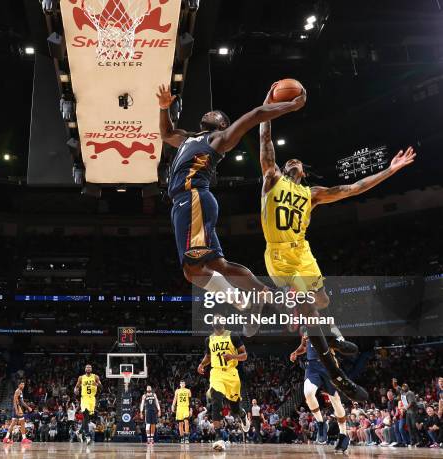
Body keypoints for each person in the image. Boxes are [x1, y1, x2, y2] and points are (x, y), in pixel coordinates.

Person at [259, 97, 416, 401]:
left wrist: (390, 170)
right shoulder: (271, 178)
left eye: (298, 162)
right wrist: (267, 105)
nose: (293, 162)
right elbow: (264, 138)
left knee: (322, 299)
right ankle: (338, 376)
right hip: (279, 254)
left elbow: (355, 188)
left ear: (302, 173)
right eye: (289, 160)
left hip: (302, 251)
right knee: (308, 308)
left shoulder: (313, 194)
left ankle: (330, 335)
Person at [157, 83, 306, 336]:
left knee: (192, 270)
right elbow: (166, 132)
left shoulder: (219, 139)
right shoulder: (188, 138)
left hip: (193, 199)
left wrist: (290, 106)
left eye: (217, 114)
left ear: (223, 125)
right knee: (219, 264)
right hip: (189, 203)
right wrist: (163, 108)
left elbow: (256, 115)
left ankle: (241, 301)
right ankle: (261, 293)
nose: (210, 112)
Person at [290, 330, 350, 453]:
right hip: (312, 366)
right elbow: (304, 346)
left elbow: (343, 345)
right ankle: (321, 423)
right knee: (308, 392)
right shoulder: (306, 329)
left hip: (329, 365)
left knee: (336, 401)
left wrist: (338, 341)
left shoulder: (329, 327)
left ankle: (343, 434)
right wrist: (296, 352)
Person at [197, 317, 249, 451]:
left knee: (234, 409)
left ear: (223, 323)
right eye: (216, 318)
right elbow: (209, 357)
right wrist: (202, 364)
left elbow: (244, 355)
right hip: (216, 373)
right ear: (213, 323)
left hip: (231, 373)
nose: (218, 320)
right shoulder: (209, 339)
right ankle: (218, 438)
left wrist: (233, 357)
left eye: (220, 318)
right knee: (216, 402)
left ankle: (242, 414)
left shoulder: (233, 336)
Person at [74, 364, 102, 445]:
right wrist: (75, 391)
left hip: (92, 399)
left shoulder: (95, 377)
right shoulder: (81, 377)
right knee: (85, 415)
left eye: (90, 367)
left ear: (91, 369)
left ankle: (79, 432)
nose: (88, 368)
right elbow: (76, 387)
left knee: (87, 419)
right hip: (84, 398)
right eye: (87, 367)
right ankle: (87, 436)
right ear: (85, 369)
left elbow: (102, 387)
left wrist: (97, 385)